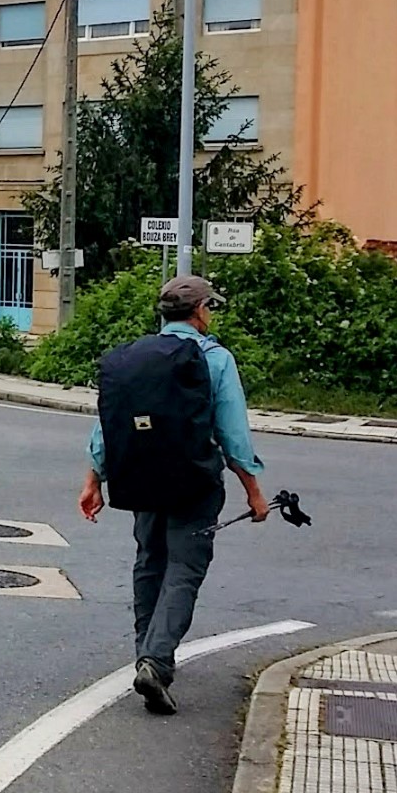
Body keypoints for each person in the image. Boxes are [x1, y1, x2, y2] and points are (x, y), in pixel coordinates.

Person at [78, 274, 269, 715]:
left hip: (140, 478)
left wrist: (94, 479)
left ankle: (147, 650)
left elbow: (108, 422)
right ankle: (156, 661)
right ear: (201, 311)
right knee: (184, 568)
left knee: (150, 564)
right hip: (194, 482)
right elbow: (233, 434)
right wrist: (254, 492)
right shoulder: (215, 359)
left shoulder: (135, 357)